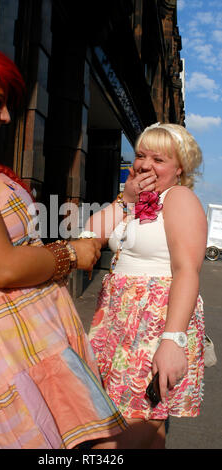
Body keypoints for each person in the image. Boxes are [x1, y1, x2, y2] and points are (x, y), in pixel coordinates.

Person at [0, 38, 128, 449]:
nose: (7, 116)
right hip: (2, 355)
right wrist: (70, 254)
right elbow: (0, 266)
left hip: (20, 347)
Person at [87, 122, 207, 449]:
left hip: (157, 325)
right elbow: (88, 238)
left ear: (180, 167)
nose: (144, 165)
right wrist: (125, 199)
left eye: (159, 159)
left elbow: (187, 271)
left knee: (129, 428)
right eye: (141, 156)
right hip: (116, 321)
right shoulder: (134, 201)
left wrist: (172, 341)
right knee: (150, 425)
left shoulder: (179, 197)